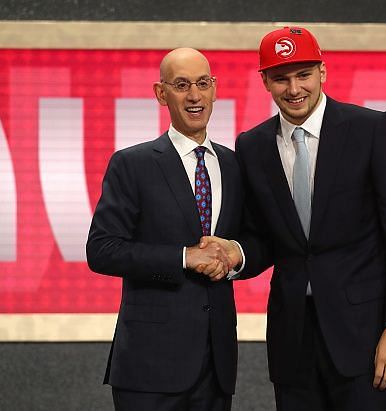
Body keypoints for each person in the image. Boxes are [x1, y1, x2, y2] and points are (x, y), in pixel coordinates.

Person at [200, 27, 386, 410]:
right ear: (265, 82)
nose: (293, 89)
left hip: (366, 339)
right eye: (281, 78)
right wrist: (236, 253)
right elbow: (266, 238)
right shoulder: (252, 146)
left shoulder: (372, 130)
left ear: (323, 71)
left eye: (303, 75)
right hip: (293, 343)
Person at [86, 48, 243, 411]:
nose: (194, 95)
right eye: (181, 85)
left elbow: (253, 239)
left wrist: (235, 253)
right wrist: (184, 257)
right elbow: (102, 249)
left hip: (216, 364)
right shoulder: (133, 164)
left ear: (215, 89)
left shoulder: (234, 164)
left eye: (203, 84)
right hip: (149, 366)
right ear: (161, 93)